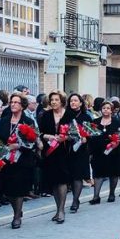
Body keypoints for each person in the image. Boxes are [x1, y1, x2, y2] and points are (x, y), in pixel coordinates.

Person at [0, 93, 39, 229]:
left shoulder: (28, 121)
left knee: (19, 188)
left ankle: (16, 217)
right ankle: (17, 209)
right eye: (11, 102)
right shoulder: (4, 120)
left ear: (22, 106)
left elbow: (32, 142)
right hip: (6, 160)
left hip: (22, 159)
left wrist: (19, 145)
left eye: (16, 102)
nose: (13, 104)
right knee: (8, 189)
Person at [38, 90, 71, 223]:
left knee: (62, 180)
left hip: (64, 152)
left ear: (62, 101)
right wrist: (49, 136)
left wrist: (65, 137)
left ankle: (62, 210)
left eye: (56, 100)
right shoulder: (45, 115)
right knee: (54, 181)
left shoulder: (69, 115)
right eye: (52, 100)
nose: (53, 102)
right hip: (50, 152)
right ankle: (57, 209)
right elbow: (39, 133)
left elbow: (76, 133)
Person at [89, 100, 120, 204]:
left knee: (113, 173)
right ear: (101, 110)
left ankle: (112, 193)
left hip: (113, 151)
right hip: (98, 151)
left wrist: (115, 143)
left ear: (111, 110)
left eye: (108, 108)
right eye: (104, 108)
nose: (105, 110)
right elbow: (91, 135)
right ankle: (96, 196)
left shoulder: (116, 121)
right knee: (98, 173)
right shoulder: (95, 121)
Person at [65, 93, 90, 213]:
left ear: (80, 103)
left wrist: (86, 138)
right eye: (71, 101)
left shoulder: (86, 116)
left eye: (75, 101)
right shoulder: (65, 116)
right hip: (68, 148)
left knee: (78, 176)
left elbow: (91, 132)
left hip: (81, 150)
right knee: (69, 176)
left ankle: (75, 200)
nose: (73, 103)